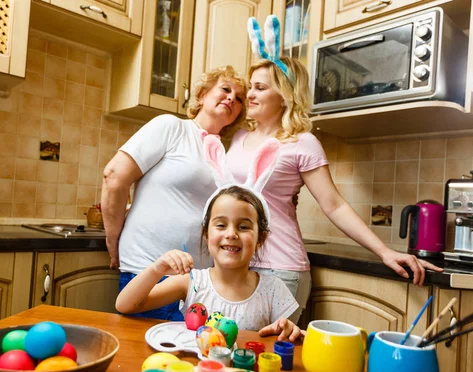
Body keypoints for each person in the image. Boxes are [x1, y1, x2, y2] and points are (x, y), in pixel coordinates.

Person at [224, 16, 443, 324]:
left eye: (260, 88)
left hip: (279, 268)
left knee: (271, 357)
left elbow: (334, 205)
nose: (250, 95)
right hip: (236, 262)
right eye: (251, 87)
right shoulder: (239, 136)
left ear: (285, 95)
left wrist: (384, 252)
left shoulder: (302, 142)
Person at [102, 66, 248, 321]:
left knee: (190, 358)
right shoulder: (172, 127)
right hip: (149, 273)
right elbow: (114, 176)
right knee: (146, 357)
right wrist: (113, 240)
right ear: (202, 94)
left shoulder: (224, 155)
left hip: (198, 284)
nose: (231, 99)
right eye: (225, 89)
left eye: (239, 99)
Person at [115, 184, 301, 342]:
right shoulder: (192, 282)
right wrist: (157, 269)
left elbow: (286, 336)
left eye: (243, 227)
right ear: (206, 234)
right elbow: (125, 305)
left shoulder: (274, 289)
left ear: (261, 238)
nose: (231, 234)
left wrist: (289, 330)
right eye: (221, 225)